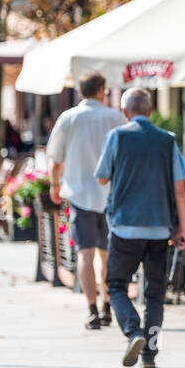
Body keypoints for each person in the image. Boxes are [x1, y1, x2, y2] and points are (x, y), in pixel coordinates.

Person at [95, 88, 185, 368]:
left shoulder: (117, 137)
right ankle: (150, 352)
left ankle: (133, 331)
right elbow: (180, 189)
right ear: (150, 111)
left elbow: (101, 178)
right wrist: (182, 227)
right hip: (160, 228)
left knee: (115, 285)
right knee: (155, 294)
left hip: (125, 225)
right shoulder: (167, 141)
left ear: (124, 112)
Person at [47, 72, 125, 330]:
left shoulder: (69, 118)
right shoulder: (115, 117)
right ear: (102, 89)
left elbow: (55, 157)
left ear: (81, 91)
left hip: (79, 194)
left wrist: (54, 184)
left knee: (84, 253)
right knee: (106, 254)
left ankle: (91, 309)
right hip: (110, 195)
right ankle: (107, 305)